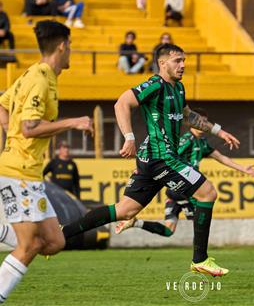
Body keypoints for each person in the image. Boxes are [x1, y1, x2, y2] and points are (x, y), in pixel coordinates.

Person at [60, 43, 241, 277]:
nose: (183, 65)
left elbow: (188, 116)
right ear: (162, 63)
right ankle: (200, 259)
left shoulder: (179, 88)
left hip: (153, 158)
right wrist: (129, 137)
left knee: (125, 210)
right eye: (177, 61)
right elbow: (121, 103)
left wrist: (218, 130)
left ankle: (62, 233)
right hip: (161, 157)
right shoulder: (155, 84)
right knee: (207, 193)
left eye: (184, 60)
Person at [0, 20, 94, 306]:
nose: (71, 51)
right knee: (28, 246)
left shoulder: (33, 75)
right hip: (18, 172)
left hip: (26, 172)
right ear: (62, 46)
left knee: (54, 242)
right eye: (70, 46)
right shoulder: (39, 79)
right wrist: (73, 121)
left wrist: (11, 138)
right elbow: (28, 127)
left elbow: (1, 105)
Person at [115, 108, 254, 237]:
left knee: (168, 230)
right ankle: (201, 258)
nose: (202, 125)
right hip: (183, 189)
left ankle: (136, 223)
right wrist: (144, 169)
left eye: (205, 122)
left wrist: (243, 168)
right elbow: (165, 157)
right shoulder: (186, 140)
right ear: (191, 123)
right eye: (200, 121)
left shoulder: (202, 143)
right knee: (201, 215)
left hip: (178, 192)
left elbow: (221, 158)